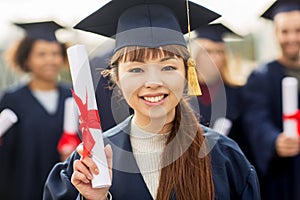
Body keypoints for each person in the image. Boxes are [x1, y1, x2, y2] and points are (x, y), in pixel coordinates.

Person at [43, 0, 260, 199]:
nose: (153, 82)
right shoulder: (88, 166)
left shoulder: (224, 157)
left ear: (187, 73)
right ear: (116, 78)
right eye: (136, 69)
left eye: (168, 67)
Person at [0, 21, 76, 200]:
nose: (50, 60)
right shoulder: (12, 100)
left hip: (64, 188)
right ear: (26, 59)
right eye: (41, 54)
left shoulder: (73, 96)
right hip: (23, 188)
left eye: (55, 53)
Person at [242, 0, 300, 199]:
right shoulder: (260, 77)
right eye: (284, 31)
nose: (291, 37)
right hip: (282, 176)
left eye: (298, 30)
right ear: (275, 34)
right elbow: (255, 118)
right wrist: (273, 140)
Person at [191, 23, 244, 137]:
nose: (215, 57)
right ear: (195, 55)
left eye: (220, 52)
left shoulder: (236, 93)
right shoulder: (182, 94)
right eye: (208, 51)